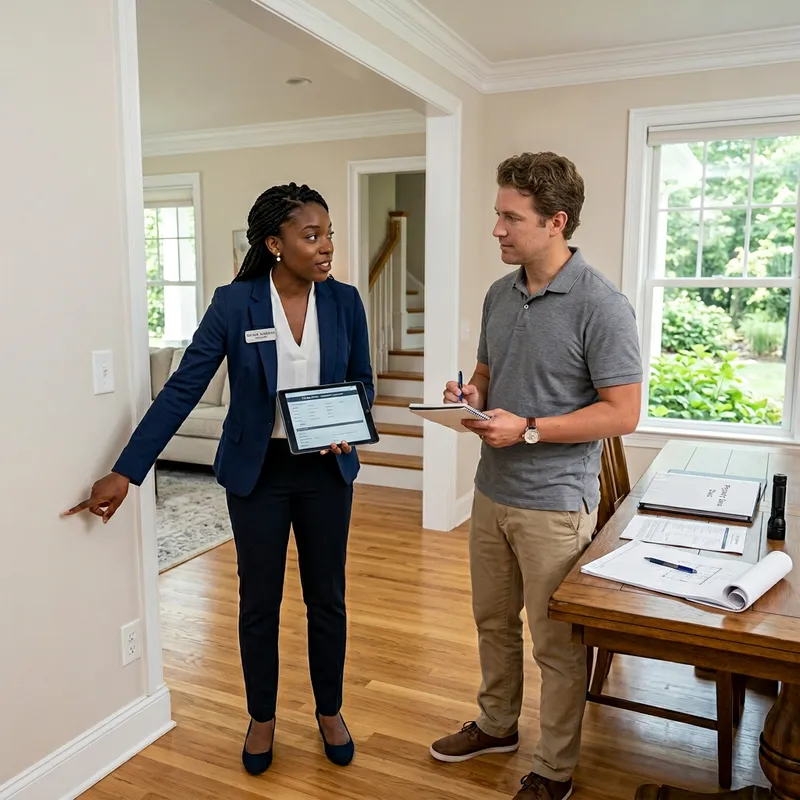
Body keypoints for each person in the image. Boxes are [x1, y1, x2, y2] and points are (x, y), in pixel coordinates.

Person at [64, 183, 373, 775]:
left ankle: (329, 710)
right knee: (258, 601)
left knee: (326, 598)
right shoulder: (236, 304)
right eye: (312, 236)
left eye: (329, 233)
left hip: (325, 472)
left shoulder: (345, 302)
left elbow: (362, 381)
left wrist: (348, 422)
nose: (327, 246)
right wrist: (127, 472)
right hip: (256, 474)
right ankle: (262, 717)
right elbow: (183, 388)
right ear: (275, 244)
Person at [430, 153, 642, 799]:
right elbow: (489, 377)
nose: (497, 228)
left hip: (555, 505)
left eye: (509, 217)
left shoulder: (602, 306)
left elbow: (623, 413)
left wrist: (527, 428)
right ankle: (496, 725)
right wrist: (467, 396)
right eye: (498, 214)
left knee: (554, 647)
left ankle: (555, 770)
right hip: (491, 493)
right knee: (492, 623)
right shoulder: (500, 293)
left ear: (555, 221)